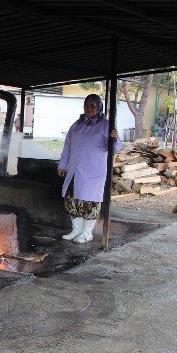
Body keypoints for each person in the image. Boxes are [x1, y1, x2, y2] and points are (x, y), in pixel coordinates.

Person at [57, 94, 122, 243]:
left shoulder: (106, 125)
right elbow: (67, 146)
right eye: (86, 105)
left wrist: (115, 138)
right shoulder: (77, 125)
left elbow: (115, 148)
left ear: (99, 107)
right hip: (74, 169)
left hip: (94, 170)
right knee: (71, 199)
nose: (88, 109)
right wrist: (63, 164)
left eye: (92, 106)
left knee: (90, 202)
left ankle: (87, 232)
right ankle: (77, 229)